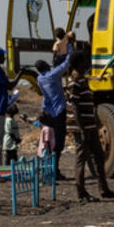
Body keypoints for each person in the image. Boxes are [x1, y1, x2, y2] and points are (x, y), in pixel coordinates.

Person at [66, 40, 114, 201]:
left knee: (98, 157)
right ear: (78, 64)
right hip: (81, 127)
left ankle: (104, 189)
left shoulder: (83, 79)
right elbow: (74, 106)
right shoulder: (75, 81)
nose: (87, 64)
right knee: (81, 159)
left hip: (89, 126)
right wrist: (82, 128)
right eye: (84, 61)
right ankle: (81, 193)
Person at [34, 48, 75, 179]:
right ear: (46, 66)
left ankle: (51, 170)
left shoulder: (40, 78)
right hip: (58, 111)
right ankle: (55, 171)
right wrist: (69, 47)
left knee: (49, 142)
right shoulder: (53, 75)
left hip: (47, 112)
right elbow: (67, 63)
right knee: (58, 142)